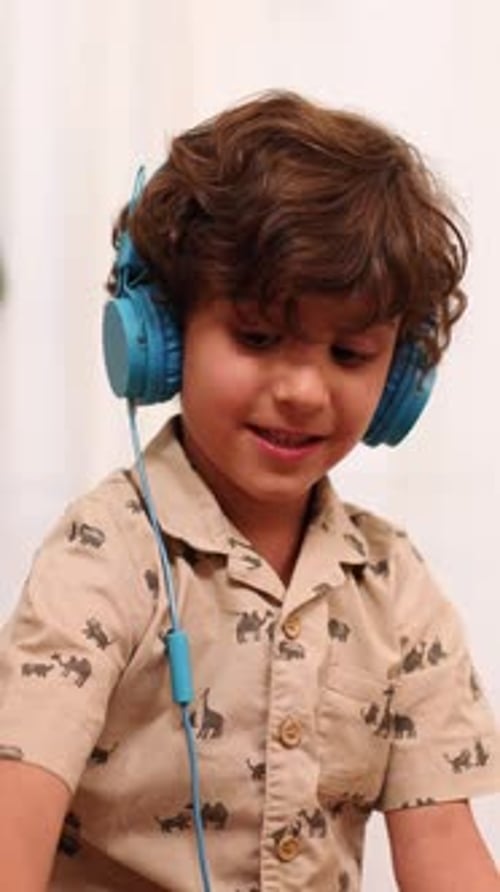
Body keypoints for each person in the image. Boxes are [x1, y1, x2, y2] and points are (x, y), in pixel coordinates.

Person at [0, 90, 499, 892]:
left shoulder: (396, 589)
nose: (304, 389)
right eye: (258, 337)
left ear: (400, 376)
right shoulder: (106, 553)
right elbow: (16, 799)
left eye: (350, 353)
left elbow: (442, 844)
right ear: (162, 335)